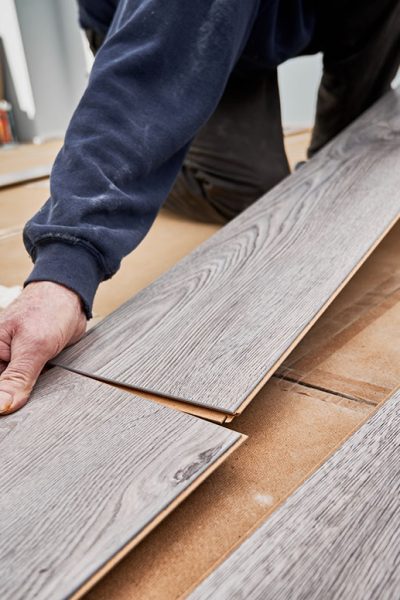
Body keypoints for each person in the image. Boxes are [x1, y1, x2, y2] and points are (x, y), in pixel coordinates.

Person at [0, 0, 399, 414]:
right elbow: (146, 80)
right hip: (162, 31)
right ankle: (166, 159)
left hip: (258, 25)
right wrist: (65, 268)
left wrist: (342, 165)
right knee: (257, 198)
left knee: (303, 195)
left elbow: (367, 34)